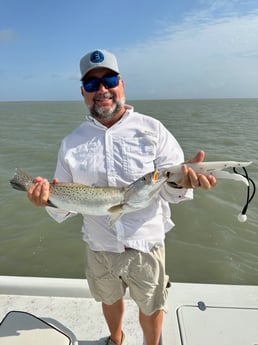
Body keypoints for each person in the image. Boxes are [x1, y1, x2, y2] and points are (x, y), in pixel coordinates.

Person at [27, 49, 216, 345]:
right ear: (83, 93)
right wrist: (45, 198)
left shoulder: (154, 130)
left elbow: (170, 190)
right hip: (99, 245)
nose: (102, 89)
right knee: (109, 299)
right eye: (92, 85)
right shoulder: (71, 143)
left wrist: (182, 183)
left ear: (122, 84)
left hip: (146, 243)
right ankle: (116, 340)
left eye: (109, 80)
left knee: (152, 306)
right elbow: (64, 207)